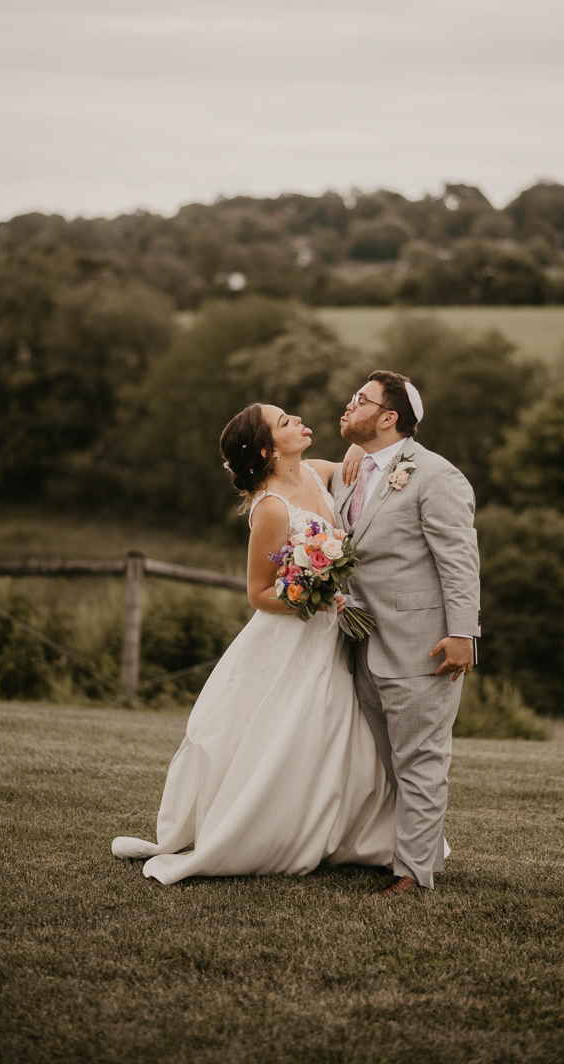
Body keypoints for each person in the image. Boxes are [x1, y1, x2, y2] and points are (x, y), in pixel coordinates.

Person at [111, 403, 396, 884]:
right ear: (266, 450)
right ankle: (271, 830)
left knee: (339, 731)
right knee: (289, 731)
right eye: (285, 422)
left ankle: (351, 830)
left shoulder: (313, 471)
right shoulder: (270, 508)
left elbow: (355, 467)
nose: (298, 421)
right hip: (293, 637)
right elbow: (260, 593)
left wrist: (357, 446)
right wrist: (318, 597)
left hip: (330, 638)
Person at [333, 370, 481, 895]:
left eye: (361, 400)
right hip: (362, 644)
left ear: (388, 417)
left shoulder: (436, 476)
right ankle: (410, 853)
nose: (348, 404)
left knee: (421, 760)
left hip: (423, 645)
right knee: (392, 764)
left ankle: (414, 876)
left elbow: (459, 561)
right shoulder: (349, 472)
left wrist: (464, 633)